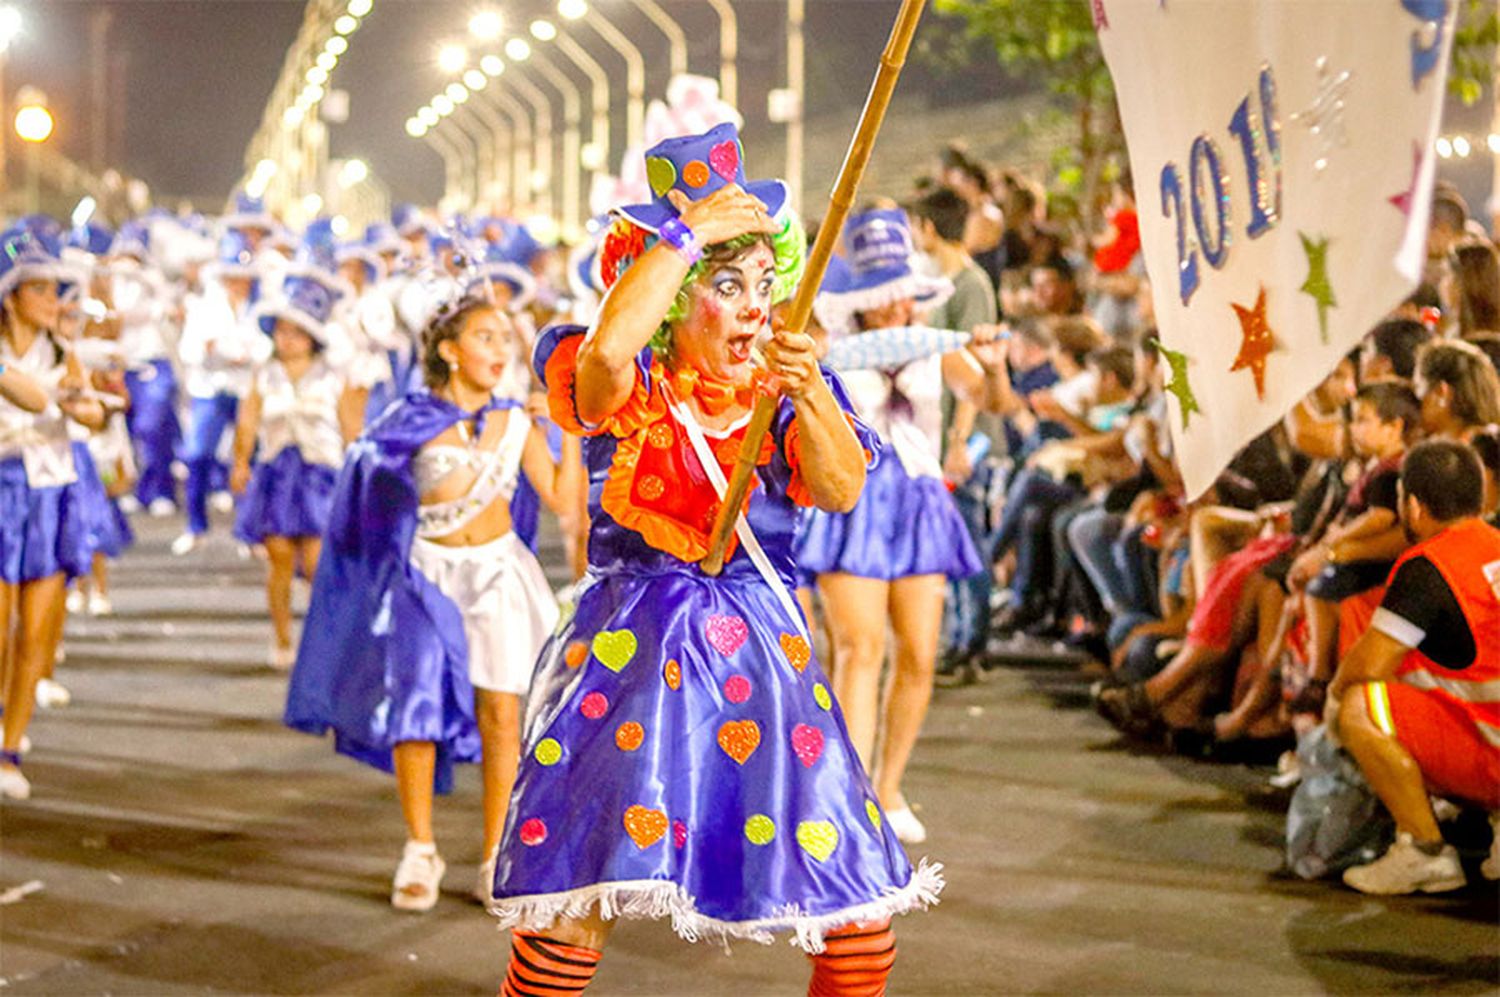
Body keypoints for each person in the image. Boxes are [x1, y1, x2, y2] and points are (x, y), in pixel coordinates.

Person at [491, 124, 941, 995]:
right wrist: (683, 233)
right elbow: (607, 352)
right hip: (631, 654)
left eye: (763, 284)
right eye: (726, 286)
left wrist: (808, 392)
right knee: (576, 900)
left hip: (763, 656)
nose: (753, 307)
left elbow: (842, 486)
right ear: (668, 292)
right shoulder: (626, 385)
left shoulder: (781, 385)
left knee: (856, 918)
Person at [286, 285, 580, 912]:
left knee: (503, 717)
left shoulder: (519, 420)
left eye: (506, 338)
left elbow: (563, 501)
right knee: (414, 709)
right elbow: (366, 488)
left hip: (498, 575)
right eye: (485, 337)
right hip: (427, 574)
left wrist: (570, 429)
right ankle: (420, 847)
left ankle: (496, 853)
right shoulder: (408, 420)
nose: (501, 350)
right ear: (448, 350)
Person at [800, 206, 1002, 845]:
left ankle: (888, 788)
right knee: (859, 649)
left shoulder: (933, 347)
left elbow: (990, 399)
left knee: (918, 653)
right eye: (882, 298)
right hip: (854, 499)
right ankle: (849, 793)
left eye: (903, 297)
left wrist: (993, 363)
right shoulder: (827, 350)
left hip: (919, 500)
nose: (895, 309)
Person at [1330, 440, 1500, 894]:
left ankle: (1423, 851)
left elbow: (1369, 664)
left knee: (1360, 706)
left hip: (1492, 752)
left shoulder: (1428, 566)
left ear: (1415, 506)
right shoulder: (1495, 547)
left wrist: (1333, 699)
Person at [0, 227, 107, 800]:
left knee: (35, 632)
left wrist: (86, 406)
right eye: (38, 289)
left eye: (53, 289)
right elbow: (31, 399)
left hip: (50, 491)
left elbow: (89, 414)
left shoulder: (64, 353)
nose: (52, 300)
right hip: (1, 486)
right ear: (10, 295)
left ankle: (9, 749)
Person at [231, 257, 361, 668]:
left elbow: (350, 430)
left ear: (313, 337)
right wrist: (240, 462)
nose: (287, 339)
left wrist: (357, 477)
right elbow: (247, 420)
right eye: (282, 331)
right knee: (280, 559)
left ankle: (323, 634)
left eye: (297, 332)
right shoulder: (264, 374)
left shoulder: (333, 376)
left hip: (322, 475)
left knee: (319, 562)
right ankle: (283, 637)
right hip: (277, 475)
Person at [173, 230, 267, 555]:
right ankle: (196, 526)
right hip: (210, 390)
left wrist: (238, 353)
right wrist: (213, 351)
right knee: (198, 455)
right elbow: (189, 350)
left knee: (248, 458)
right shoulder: (204, 307)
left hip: (244, 392)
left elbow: (265, 350)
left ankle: (248, 532)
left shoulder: (260, 309)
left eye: (244, 278)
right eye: (233, 277)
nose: (239, 284)